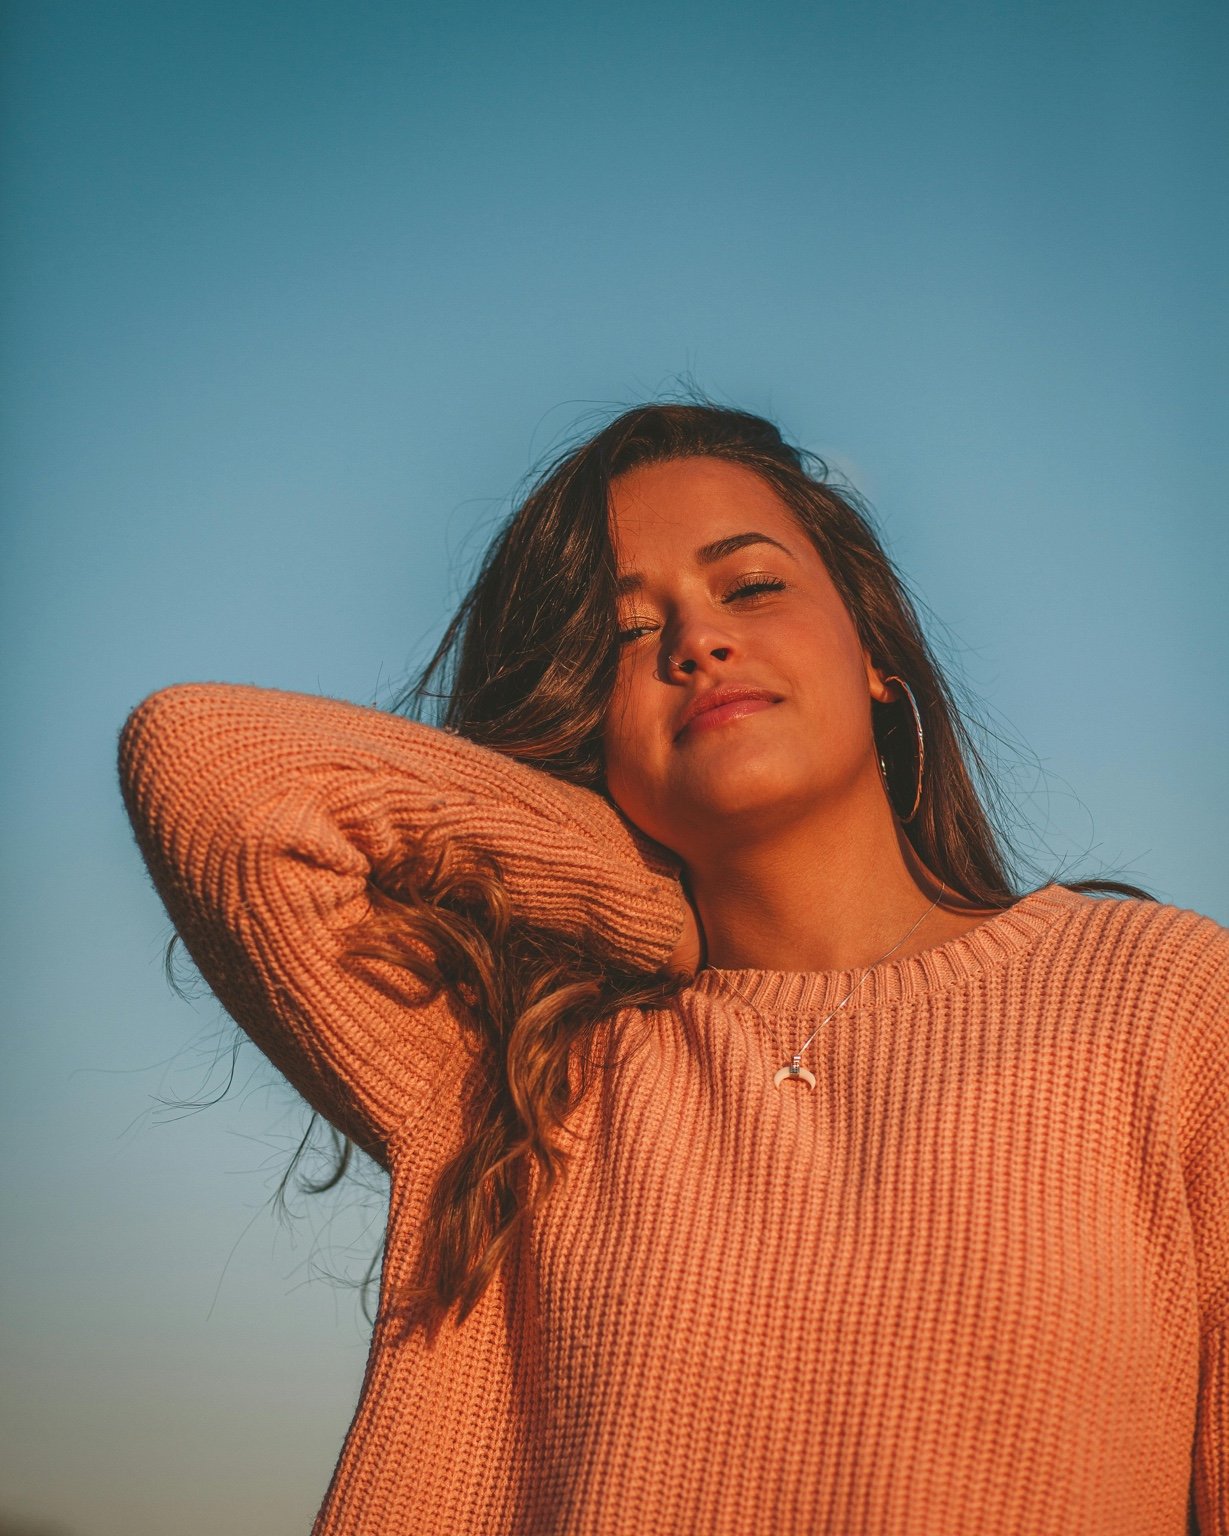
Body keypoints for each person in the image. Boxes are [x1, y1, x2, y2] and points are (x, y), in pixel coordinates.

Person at [117, 403, 1227, 1536]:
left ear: (875, 652)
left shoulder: (1167, 1001)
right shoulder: (515, 1067)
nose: (694, 642)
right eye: (622, 635)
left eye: (750, 587)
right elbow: (205, 760)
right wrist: (638, 883)